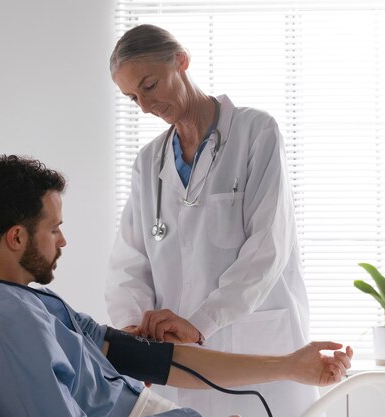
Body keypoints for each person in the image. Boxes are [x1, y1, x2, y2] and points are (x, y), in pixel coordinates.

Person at [0, 155, 353, 417]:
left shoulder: (32, 302)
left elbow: (152, 359)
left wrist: (288, 366)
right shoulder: (5, 319)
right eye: (54, 229)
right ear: (16, 238)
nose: (62, 241)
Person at [106, 24, 317, 417]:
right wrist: (134, 335)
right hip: (180, 361)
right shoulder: (148, 162)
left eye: (149, 85)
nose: (144, 105)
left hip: (255, 346)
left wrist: (201, 323)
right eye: (132, 97)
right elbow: (129, 262)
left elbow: (268, 246)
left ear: (181, 62)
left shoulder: (256, 132)